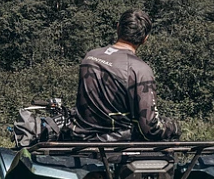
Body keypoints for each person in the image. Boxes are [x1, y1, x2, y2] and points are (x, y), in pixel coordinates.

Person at [63, 9, 180, 142]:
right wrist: (173, 127)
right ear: (145, 39)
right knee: (170, 129)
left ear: (118, 28)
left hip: (80, 138)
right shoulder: (140, 70)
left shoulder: (90, 56)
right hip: (117, 146)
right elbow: (150, 128)